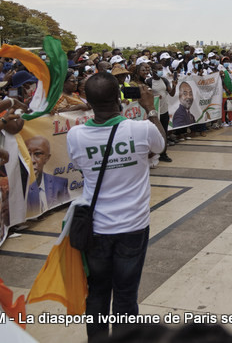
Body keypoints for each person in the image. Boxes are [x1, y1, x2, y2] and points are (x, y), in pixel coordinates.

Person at [66, 72, 165, 341]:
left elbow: (79, 165)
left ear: (86, 99)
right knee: (125, 295)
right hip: (133, 227)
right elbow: (160, 145)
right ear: (120, 97)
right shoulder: (141, 129)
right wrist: (150, 109)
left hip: (96, 229)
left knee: (97, 293)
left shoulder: (76, 136)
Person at [25, 136, 69, 215]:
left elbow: (64, 213)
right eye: (27, 154)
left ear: (47, 158)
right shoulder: (18, 187)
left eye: (37, 154)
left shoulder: (60, 184)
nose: (32, 160)